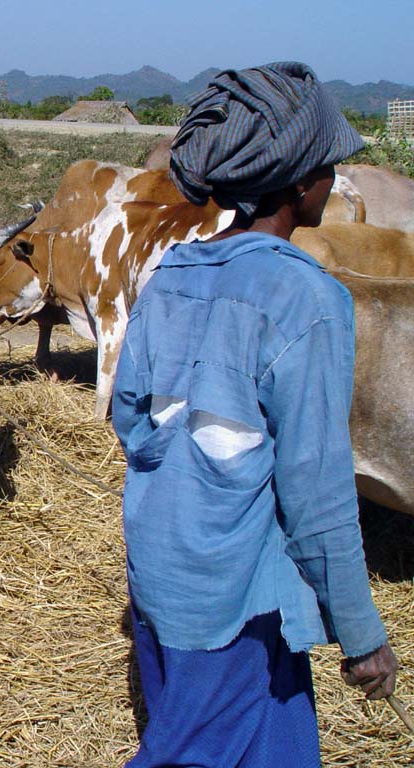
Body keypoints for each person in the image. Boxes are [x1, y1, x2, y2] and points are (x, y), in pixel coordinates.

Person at [112, 62, 397, 767]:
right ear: (302, 184)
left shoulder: (169, 274)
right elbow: (316, 488)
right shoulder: (307, 297)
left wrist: (197, 472)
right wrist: (361, 634)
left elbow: (130, 420)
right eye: (329, 165)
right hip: (235, 603)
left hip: (159, 571)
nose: (335, 180)